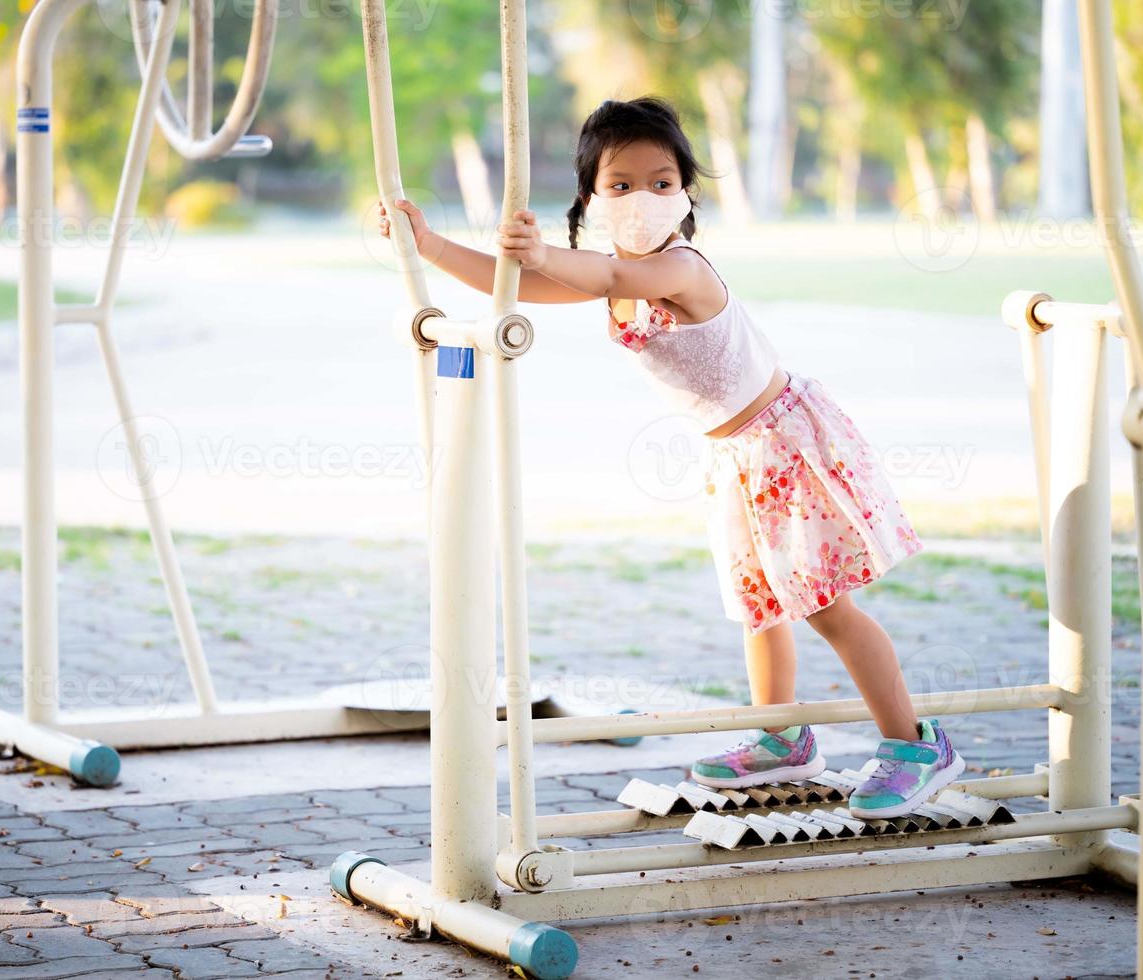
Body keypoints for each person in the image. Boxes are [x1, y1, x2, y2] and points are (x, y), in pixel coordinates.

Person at [377, 97, 961, 818]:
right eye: (620, 185)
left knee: (826, 607)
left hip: (784, 443)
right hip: (737, 459)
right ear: (591, 198)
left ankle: (916, 745)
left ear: (685, 191)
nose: (643, 198)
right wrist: (430, 244)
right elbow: (524, 284)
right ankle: (781, 736)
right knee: (762, 607)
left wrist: (545, 252)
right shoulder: (604, 274)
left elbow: (614, 279)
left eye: (661, 181)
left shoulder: (678, 267)